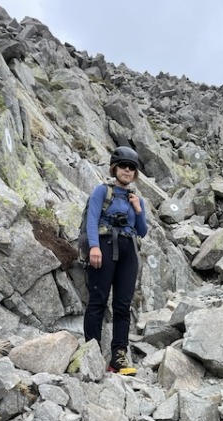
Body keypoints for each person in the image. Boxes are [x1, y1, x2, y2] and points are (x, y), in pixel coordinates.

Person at [83, 146, 148, 375]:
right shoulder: (102, 191)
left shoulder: (135, 199)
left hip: (129, 250)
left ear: (135, 173)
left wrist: (138, 210)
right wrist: (94, 247)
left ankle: (118, 359)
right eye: (123, 166)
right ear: (115, 168)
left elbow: (142, 232)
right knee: (98, 300)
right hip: (104, 246)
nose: (127, 170)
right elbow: (92, 219)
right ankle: (91, 352)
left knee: (122, 306)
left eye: (131, 168)